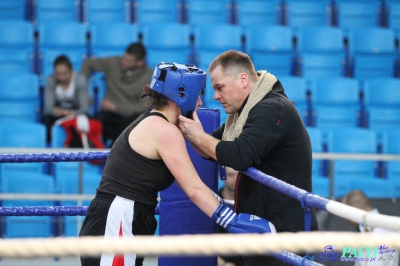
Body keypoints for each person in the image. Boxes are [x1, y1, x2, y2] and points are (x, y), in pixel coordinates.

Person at [79, 62, 277, 266]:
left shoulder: (157, 122)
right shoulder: (164, 130)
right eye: (198, 94)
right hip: (119, 219)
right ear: (182, 93)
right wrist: (233, 222)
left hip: (125, 216)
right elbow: (194, 189)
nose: (200, 102)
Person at [178, 50, 319, 266]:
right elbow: (211, 149)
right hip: (260, 231)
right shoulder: (243, 114)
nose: (215, 96)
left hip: (283, 236)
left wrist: (198, 135)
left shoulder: (272, 109)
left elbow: (238, 156)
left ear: (243, 80)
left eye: (219, 87)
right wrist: (183, 125)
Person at [80, 42, 153, 146]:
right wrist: (84, 93)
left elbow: (142, 107)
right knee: (93, 125)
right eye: (124, 58)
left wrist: (116, 108)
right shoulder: (113, 63)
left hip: (129, 116)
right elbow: (88, 63)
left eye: (128, 61)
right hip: (108, 114)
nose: (123, 62)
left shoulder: (148, 76)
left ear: (140, 62)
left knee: (134, 125)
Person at [342, 190, 399, 266]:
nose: (344, 218)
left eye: (344, 213)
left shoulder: (378, 233)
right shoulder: (374, 229)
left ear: (352, 210)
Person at [42, 55, 90, 143]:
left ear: (71, 70)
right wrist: (55, 111)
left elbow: (84, 108)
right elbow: (48, 108)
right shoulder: (50, 79)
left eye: (65, 73)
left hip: (75, 114)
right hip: (57, 115)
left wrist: (73, 113)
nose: (61, 77)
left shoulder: (80, 80)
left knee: (86, 121)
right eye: (58, 74)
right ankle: (49, 146)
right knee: (46, 120)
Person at [218, 167, 241, 266]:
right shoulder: (212, 203)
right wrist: (223, 264)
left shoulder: (249, 203)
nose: (235, 178)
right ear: (223, 176)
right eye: (231, 175)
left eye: (238, 175)